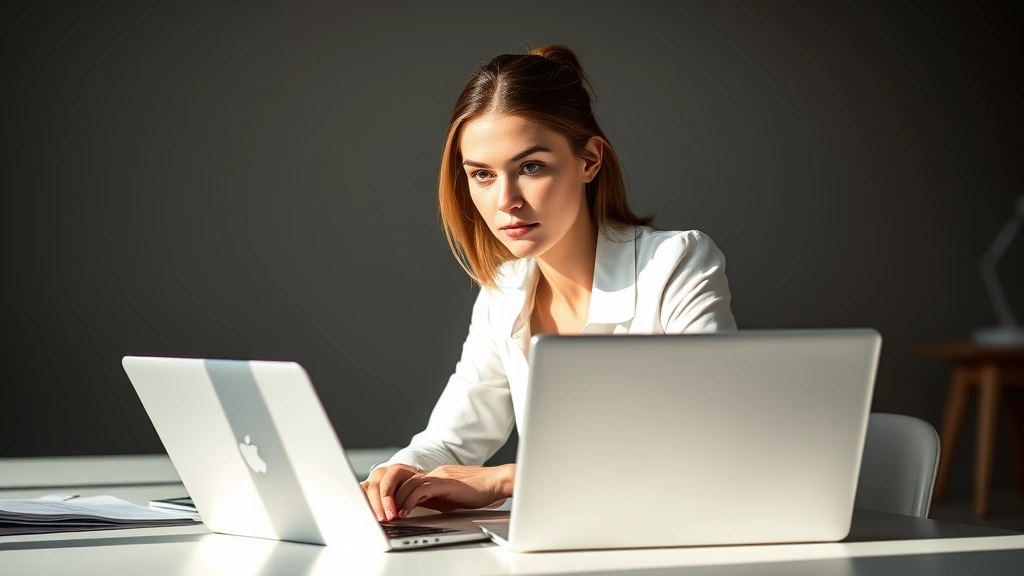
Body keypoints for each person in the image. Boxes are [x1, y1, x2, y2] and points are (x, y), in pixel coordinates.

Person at [360, 45, 736, 523]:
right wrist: (395, 476)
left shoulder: (675, 262)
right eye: (482, 175)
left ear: (590, 160)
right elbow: (453, 438)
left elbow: (709, 441)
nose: (506, 200)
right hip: (553, 544)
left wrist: (504, 480)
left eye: (531, 167)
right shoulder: (505, 288)